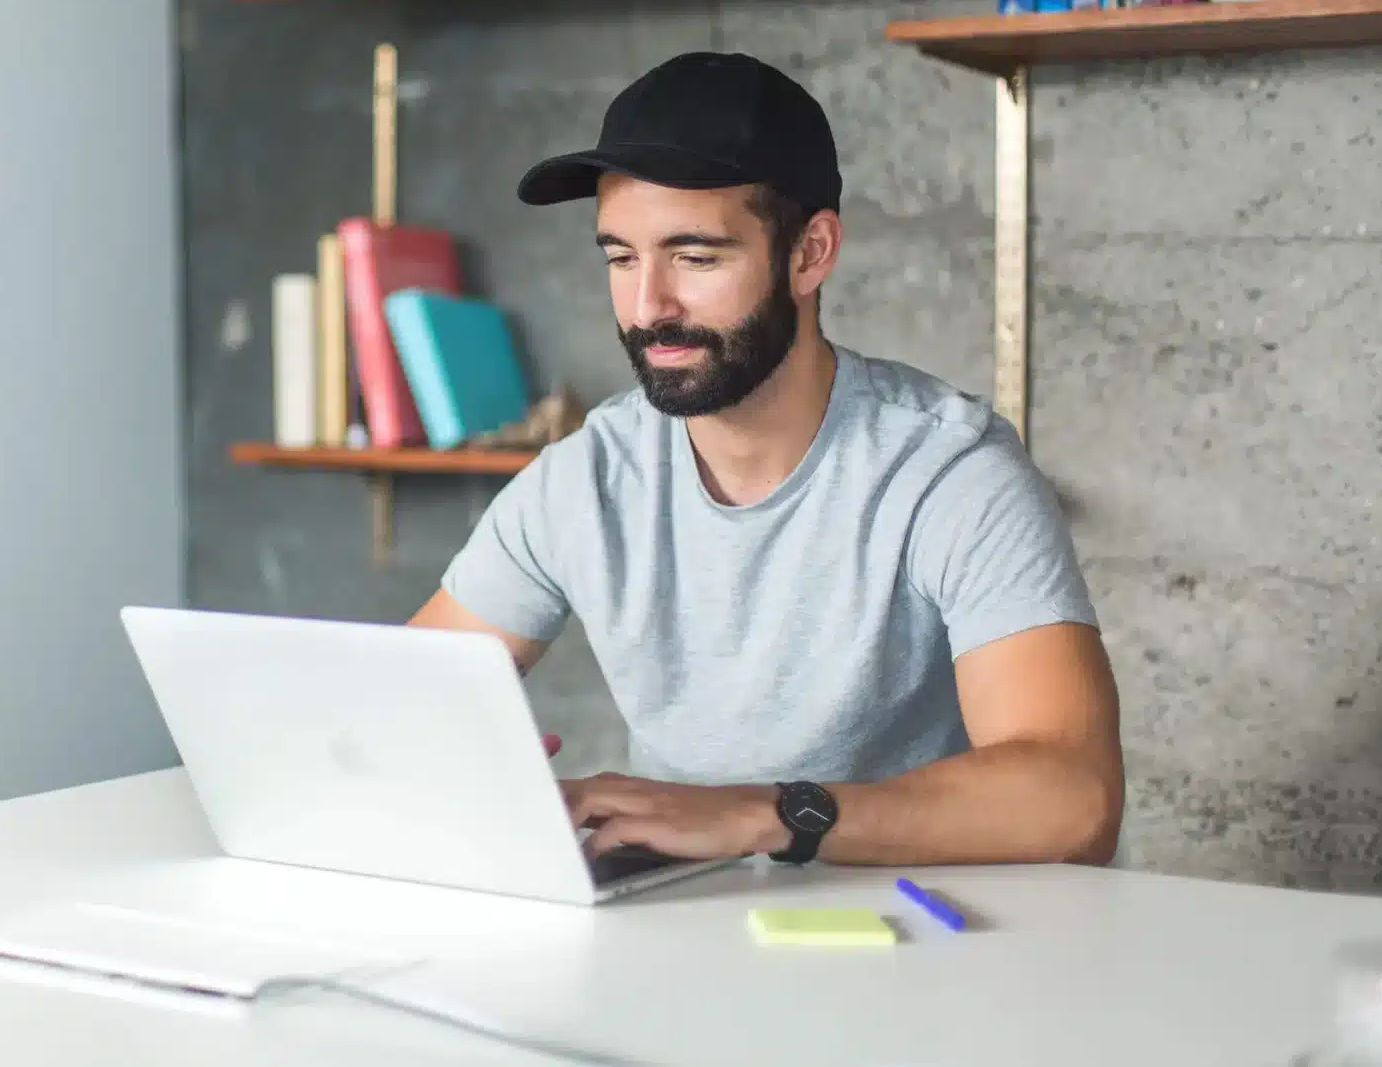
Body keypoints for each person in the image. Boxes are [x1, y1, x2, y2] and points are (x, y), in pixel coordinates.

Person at [412, 52, 1123, 868]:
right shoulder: (586, 477)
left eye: (696, 257)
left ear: (811, 254)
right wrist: (455, 764)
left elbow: (1075, 800)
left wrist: (768, 815)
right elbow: (395, 709)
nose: (649, 308)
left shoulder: (950, 472)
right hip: (692, 934)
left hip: (926, 947)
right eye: (620, 258)